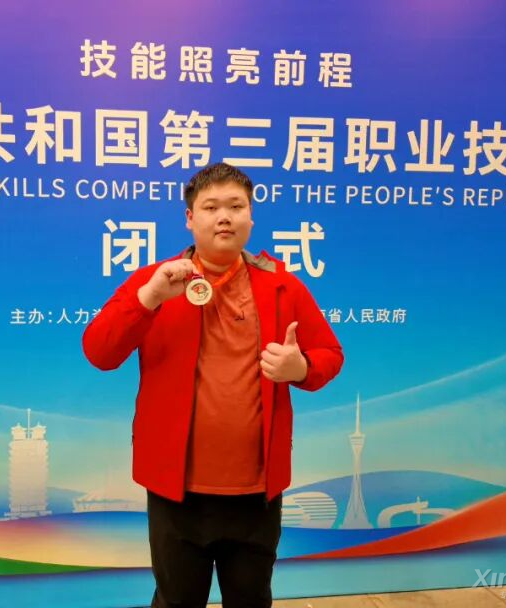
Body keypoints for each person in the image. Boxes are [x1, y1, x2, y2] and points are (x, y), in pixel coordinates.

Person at [82, 162, 344, 607]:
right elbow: (99, 352)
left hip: (257, 492)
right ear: (190, 218)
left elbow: (330, 355)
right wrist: (149, 299)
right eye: (211, 207)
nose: (224, 217)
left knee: (251, 599)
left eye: (236, 206)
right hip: (177, 492)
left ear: (251, 217)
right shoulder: (157, 281)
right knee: (176, 601)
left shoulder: (282, 286)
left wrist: (300, 368)